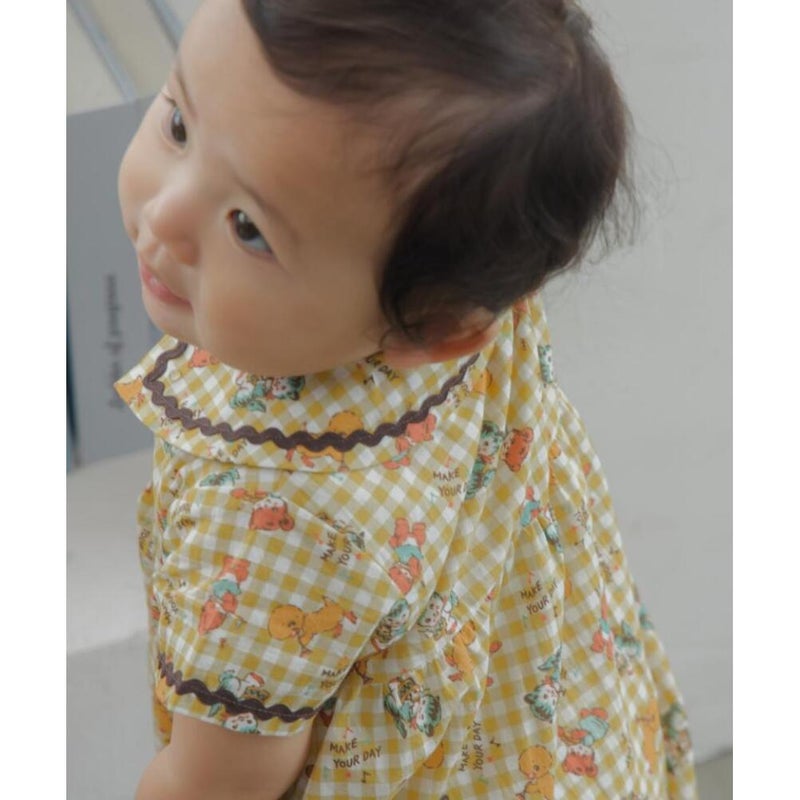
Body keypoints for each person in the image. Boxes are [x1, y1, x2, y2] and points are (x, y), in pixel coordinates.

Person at [115, 1, 698, 797]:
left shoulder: (270, 510)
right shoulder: (452, 287)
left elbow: (212, 784)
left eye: (249, 227)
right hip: (565, 734)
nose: (164, 215)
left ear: (435, 328)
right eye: (180, 125)